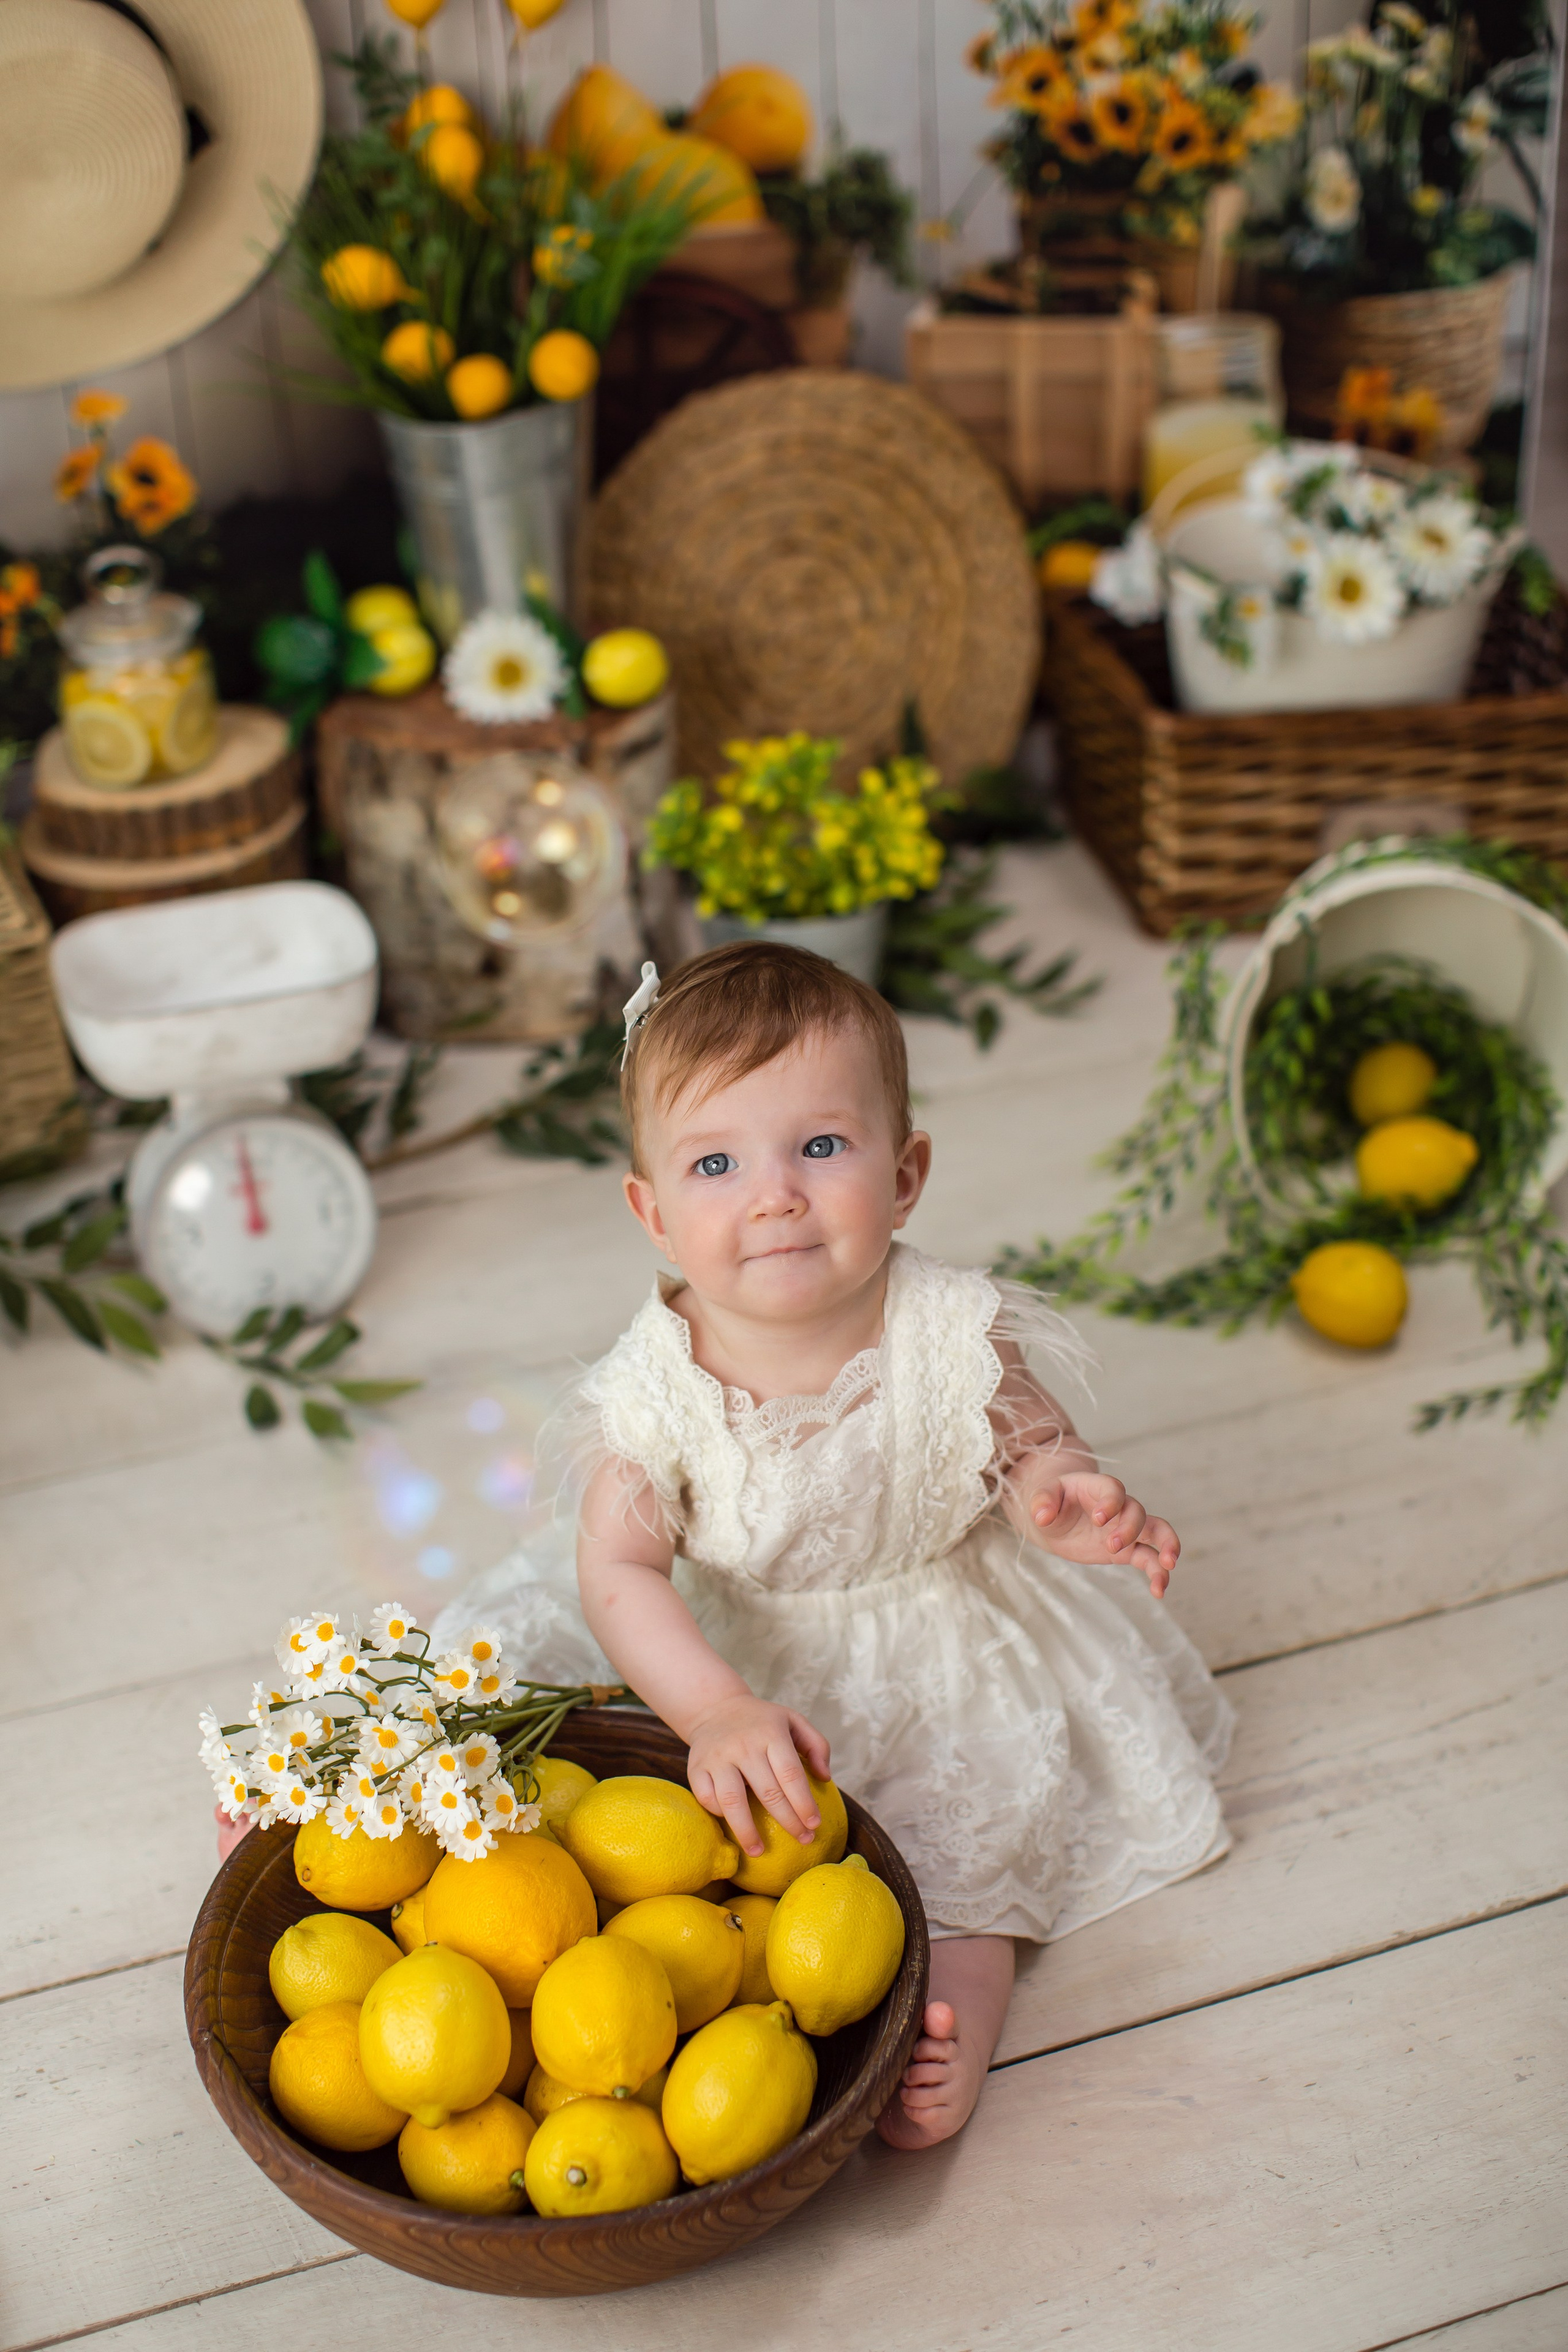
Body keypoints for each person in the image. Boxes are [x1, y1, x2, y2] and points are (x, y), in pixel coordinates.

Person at [440, 942, 1232, 2149]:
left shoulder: (944, 1324)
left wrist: (1065, 1491)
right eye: (715, 1163)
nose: (774, 1195)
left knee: (972, 1837)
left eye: (819, 1147)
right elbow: (618, 1573)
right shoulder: (649, 1397)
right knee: (695, 1865)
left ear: (905, 1173)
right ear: (651, 1213)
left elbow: (1028, 1446)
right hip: (742, 1660)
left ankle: (952, 2014)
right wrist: (710, 1709)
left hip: (946, 1630)